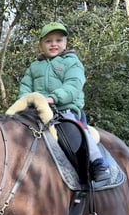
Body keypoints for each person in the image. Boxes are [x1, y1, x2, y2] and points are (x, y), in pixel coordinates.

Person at [18, 21, 111, 182]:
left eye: (58, 40)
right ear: (41, 45)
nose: (53, 44)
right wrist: (25, 103)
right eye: (48, 41)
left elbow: (73, 85)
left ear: (65, 43)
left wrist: (53, 98)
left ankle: (98, 163)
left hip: (64, 111)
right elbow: (25, 87)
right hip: (37, 112)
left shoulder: (71, 62)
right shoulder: (34, 67)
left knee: (75, 130)